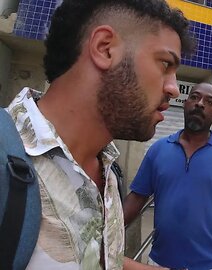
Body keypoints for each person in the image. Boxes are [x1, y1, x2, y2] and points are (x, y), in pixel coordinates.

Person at [4, 0, 195, 269]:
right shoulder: (5, 161)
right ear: (105, 48)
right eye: (165, 64)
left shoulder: (108, 172)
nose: (175, 89)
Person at [123, 83, 212, 270]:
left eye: (209, 101)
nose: (200, 104)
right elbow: (137, 197)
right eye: (194, 97)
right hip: (159, 263)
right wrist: (105, 231)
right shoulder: (158, 149)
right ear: (185, 103)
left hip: (211, 265)